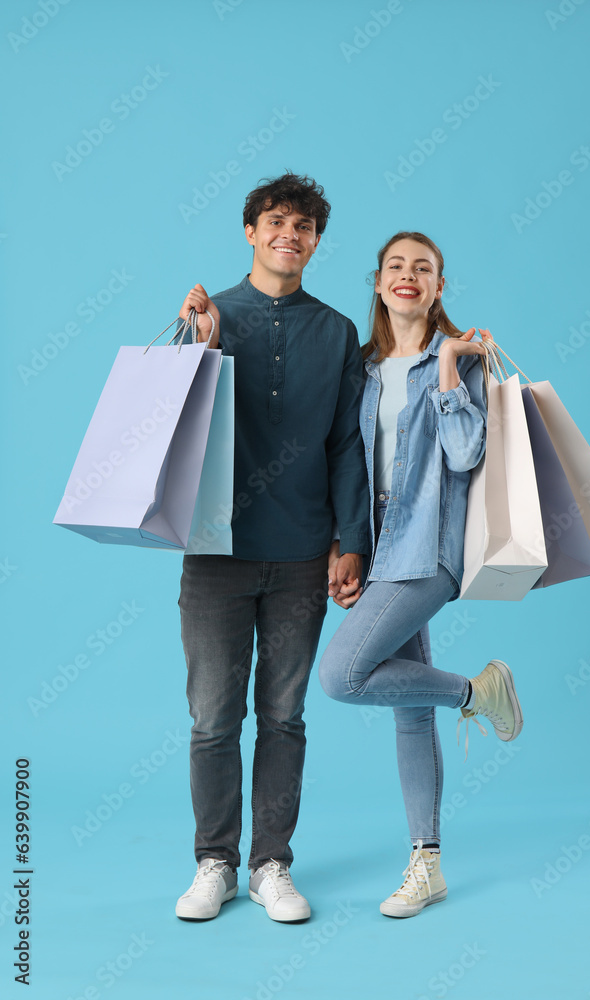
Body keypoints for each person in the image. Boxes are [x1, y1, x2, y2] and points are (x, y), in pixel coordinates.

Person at [173, 172, 370, 923]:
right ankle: (214, 862)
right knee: (212, 718)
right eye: (277, 221)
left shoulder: (337, 332)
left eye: (306, 226)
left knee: (282, 716)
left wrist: (351, 539)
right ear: (251, 231)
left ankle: (270, 865)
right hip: (214, 552)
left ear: (316, 244)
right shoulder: (208, 316)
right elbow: (182, 425)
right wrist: (204, 345)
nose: (291, 234)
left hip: (299, 554)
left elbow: (348, 443)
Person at [318, 231, 523, 918]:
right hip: (376, 552)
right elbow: (348, 461)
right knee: (408, 712)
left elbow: (465, 455)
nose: (408, 276)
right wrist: (344, 546)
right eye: (397, 267)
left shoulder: (460, 356)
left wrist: (445, 373)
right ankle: (425, 863)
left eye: (423, 269)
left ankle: (477, 689)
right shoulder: (365, 367)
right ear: (378, 281)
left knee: (341, 677)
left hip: (427, 549)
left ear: (439, 285)